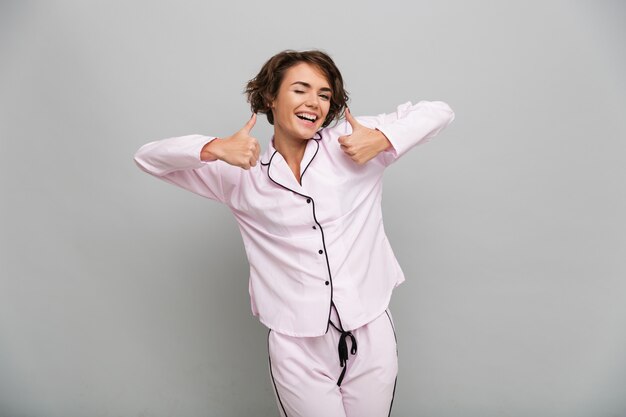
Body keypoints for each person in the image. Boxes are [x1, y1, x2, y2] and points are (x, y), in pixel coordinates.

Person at [134, 49, 455, 417]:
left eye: (323, 94)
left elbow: (439, 111)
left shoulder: (351, 144)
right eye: (300, 90)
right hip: (295, 344)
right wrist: (214, 148)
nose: (314, 103)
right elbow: (148, 158)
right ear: (271, 97)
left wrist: (382, 139)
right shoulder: (239, 171)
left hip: (371, 327)